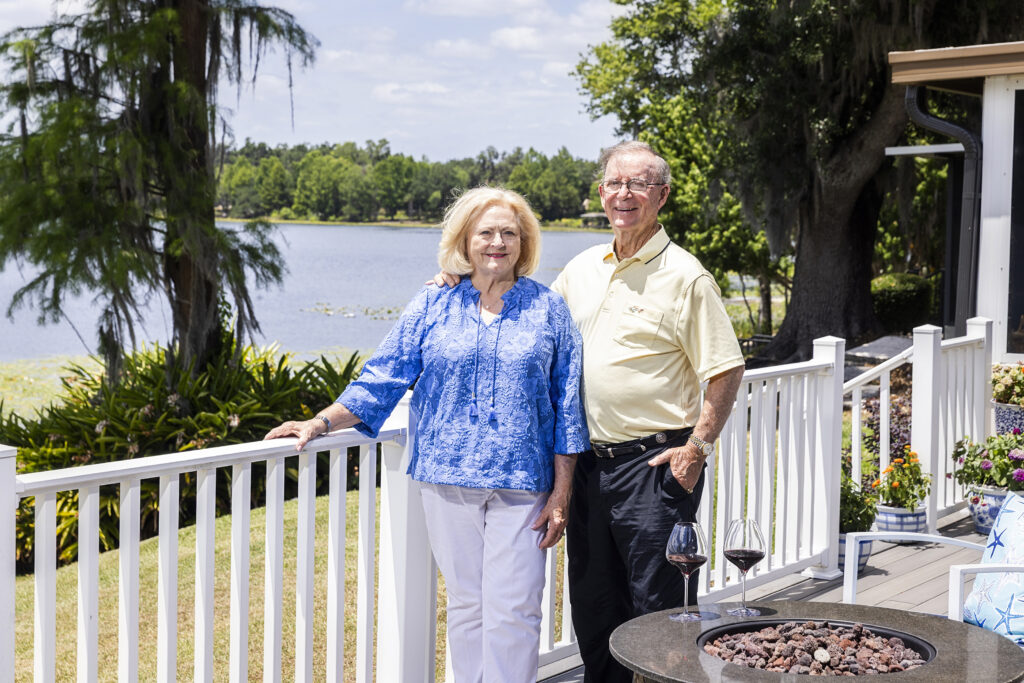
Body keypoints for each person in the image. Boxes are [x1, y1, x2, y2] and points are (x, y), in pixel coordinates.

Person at [434, 141, 745, 682]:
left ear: (662, 196)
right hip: (587, 469)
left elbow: (725, 369)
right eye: (615, 184)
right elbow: (524, 317)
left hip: (654, 467)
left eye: (640, 184)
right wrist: (462, 280)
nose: (625, 194)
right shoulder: (580, 269)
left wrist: (697, 447)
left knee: (658, 609)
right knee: (594, 607)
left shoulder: (685, 276)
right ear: (601, 193)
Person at [265, 186, 588, 683]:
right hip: (446, 476)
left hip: (524, 482)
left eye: (509, 233)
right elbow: (384, 375)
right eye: (486, 232)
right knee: (466, 606)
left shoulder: (549, 309)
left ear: (525, 242)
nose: (497, 242)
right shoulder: (434, 300)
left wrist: (562, 491)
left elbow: (567, 406)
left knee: (517, 608)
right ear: (465, 239)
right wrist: (320, 421)